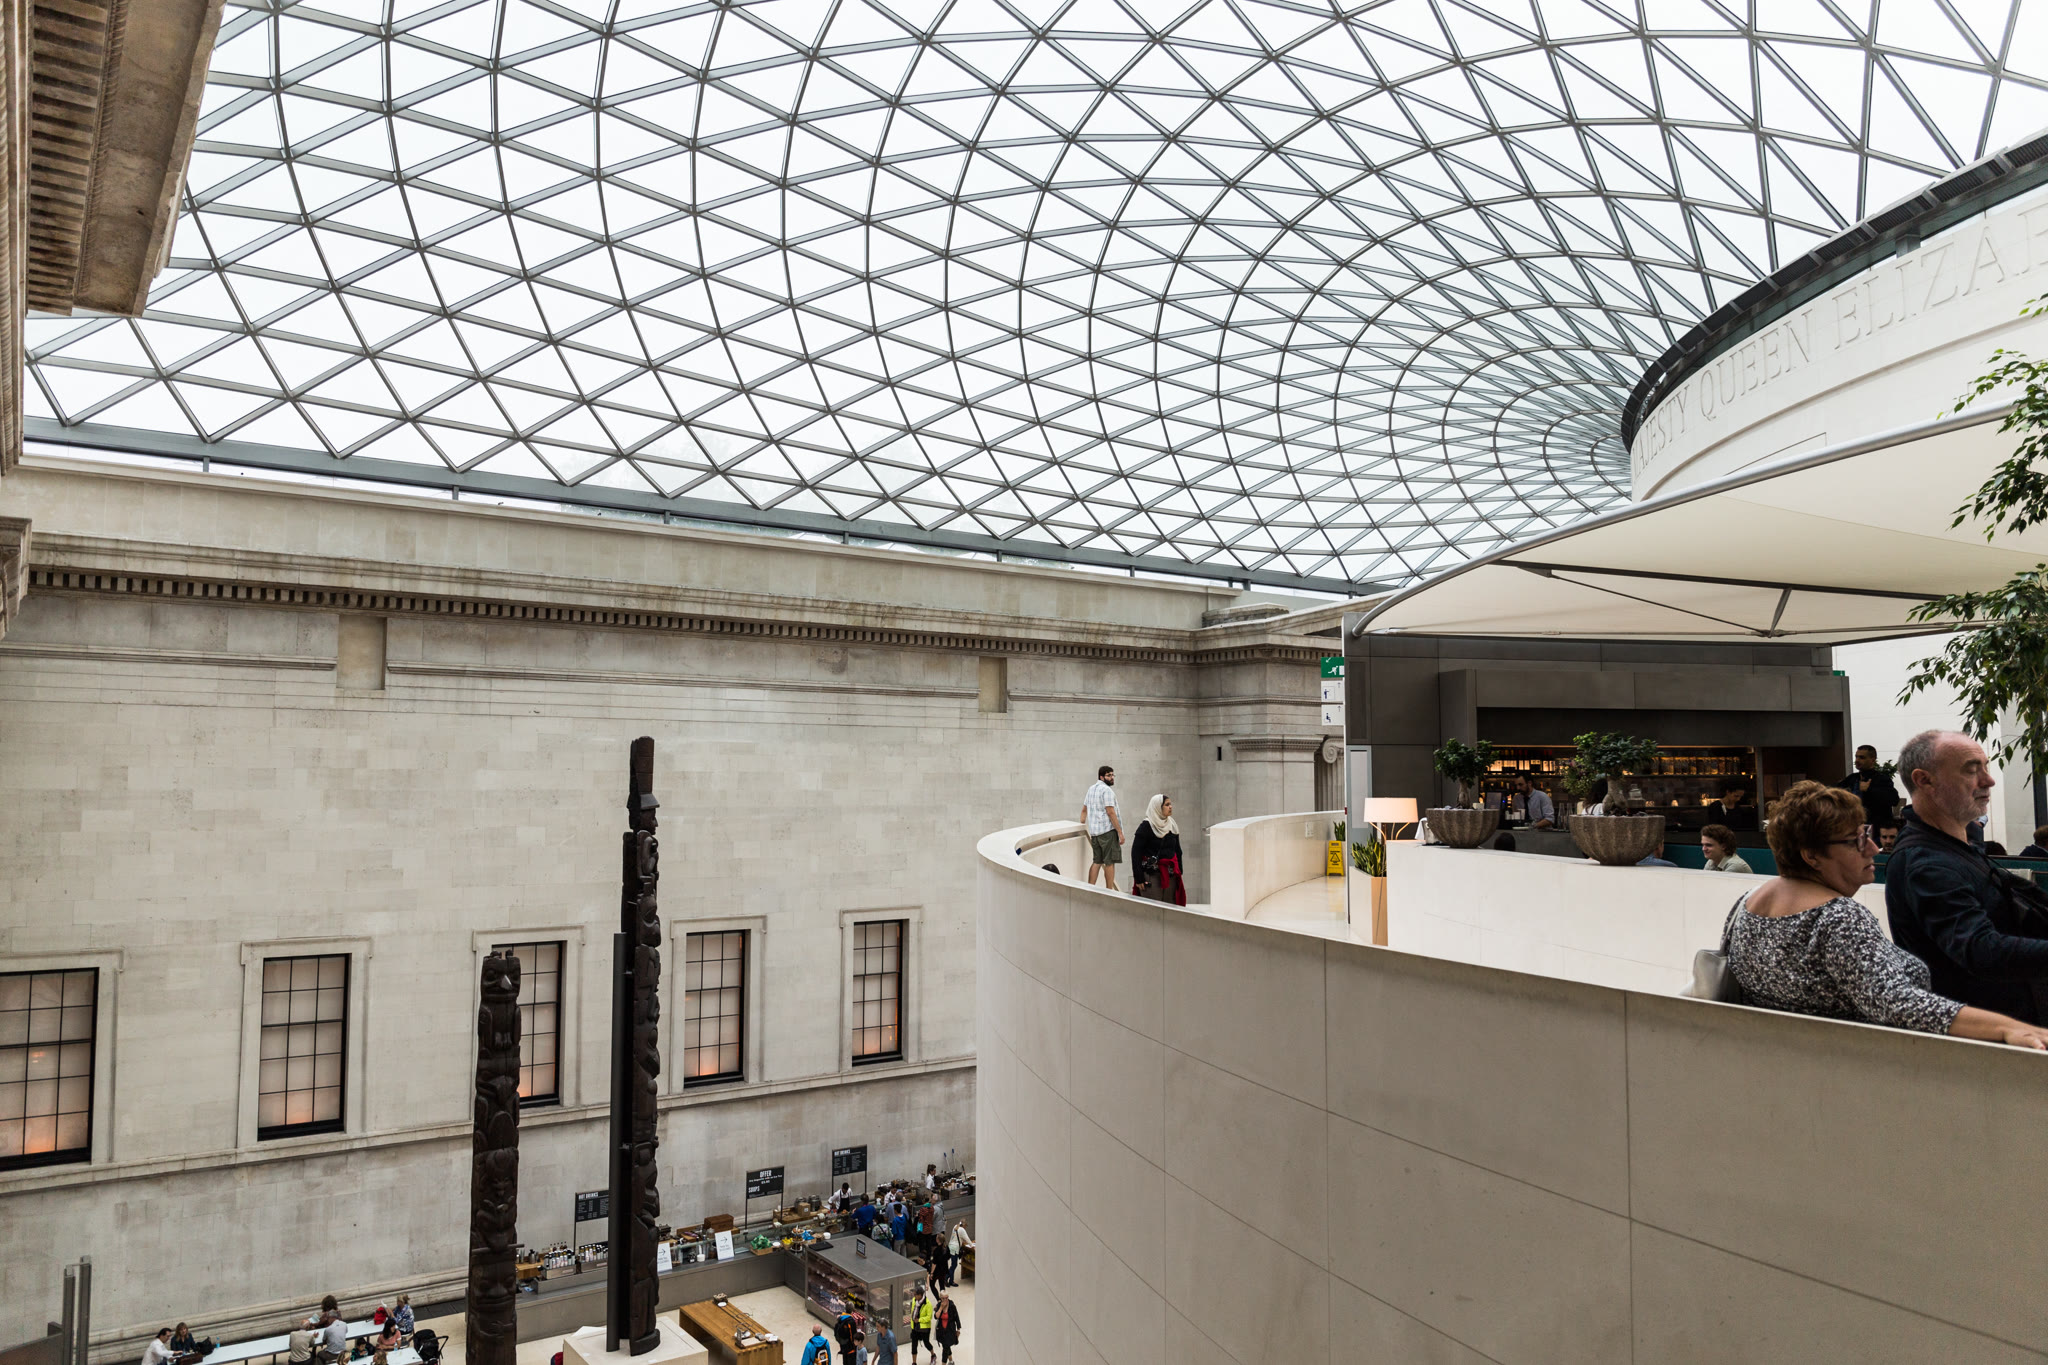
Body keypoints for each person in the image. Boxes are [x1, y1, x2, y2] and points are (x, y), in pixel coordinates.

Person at [1722, 779, 2048, 1047]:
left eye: (1867, 834)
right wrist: (2009, 1028)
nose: (1874, 848)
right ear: (1812, 856)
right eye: (1856, 840)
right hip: (1863, 1078)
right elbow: (1898, 1003)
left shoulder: (1749, 903)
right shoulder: (1837, 918)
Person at [1886, 730, 2048, 1025]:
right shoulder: (1927, 864)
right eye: (1972, 771)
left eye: (1985, 767)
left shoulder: (1958, 845)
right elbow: (1980, 950)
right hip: (1991, 1038)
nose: (1989, 780)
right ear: (1924, 780)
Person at [1129, 793, 1185, 904]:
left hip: (1170, 876)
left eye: (1170, 804)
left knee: (1170, 909)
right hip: (1152, 876)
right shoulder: (1146, 826)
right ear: (1158, 807)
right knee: (1153, 909)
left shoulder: (1172, 825)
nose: (1170, 807)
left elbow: (1178, 850)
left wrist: (1179, 872)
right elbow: (1136, 852)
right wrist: (1139, 878)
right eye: (1167, 805)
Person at [1838, 744, 1902, 828]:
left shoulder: (1881, 779)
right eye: (1856, 757)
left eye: (1862, 757)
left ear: (1872, 760)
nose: (1857, 760)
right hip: (1854, 826)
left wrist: (1869, 789)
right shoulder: (1852, 779)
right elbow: (1834, 791)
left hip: (1876, 828)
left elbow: (1894, 800)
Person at [1080, 764, 1123, 889]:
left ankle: (1090, 888)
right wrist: (1120, 832)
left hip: (1095, 833)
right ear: (1101, 777)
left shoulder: (1091, 789)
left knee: (1097, 861)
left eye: (1113, 775)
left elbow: (1084, 810)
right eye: (1109, 775)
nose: (1112, 777)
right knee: (1110, 862)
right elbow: (1110, 812)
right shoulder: (1107, 790)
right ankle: (1109, 891)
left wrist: (1082, 825)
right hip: (1107, 832)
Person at [908, 1287, 935, 1364]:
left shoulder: (928, 1304)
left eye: (915, 1295)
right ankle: (914, 1362)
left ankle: (933, 1355)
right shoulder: (914, 1300)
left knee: (926, 1343)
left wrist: (919, 1320)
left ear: (920, 1295)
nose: (914, 1296)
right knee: (914, 1345)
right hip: (915, 1327)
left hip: (924, 1328)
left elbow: (929, 1317)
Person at [933, 1295, 961, 1365]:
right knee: (946, 1346)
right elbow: (936, 1317)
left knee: (945, 1348)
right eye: (943, 1298)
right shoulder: (939, 1305)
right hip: (941, 1330)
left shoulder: (952, 1306)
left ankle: (944, 1363)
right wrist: (941, 1308)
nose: (945, 1299)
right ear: (940, 1298)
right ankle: (951, 1361)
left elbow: (957, 1318)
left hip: (950, 1330)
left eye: (946, 1298)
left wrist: (958, 1329)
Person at [945, 1219, 973, 1286]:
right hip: (955, 1249)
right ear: (964, 1225)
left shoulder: (955, 1226)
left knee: (953, 1265)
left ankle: (951, 1280)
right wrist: (972, 1245)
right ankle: (946, 1278)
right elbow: (967, 1239)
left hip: (950, 1247)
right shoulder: (962, 1230)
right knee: (954, 1265)